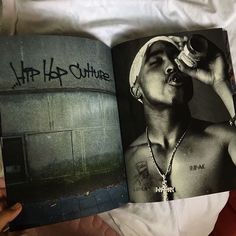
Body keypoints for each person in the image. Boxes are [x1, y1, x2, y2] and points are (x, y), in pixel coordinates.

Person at [125, 35, 236, 202]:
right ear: (136, 88)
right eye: (156, 62)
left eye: (177, 60)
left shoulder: (224, 139)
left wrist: (220, 83)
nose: (171, 66)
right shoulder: (126, 161)